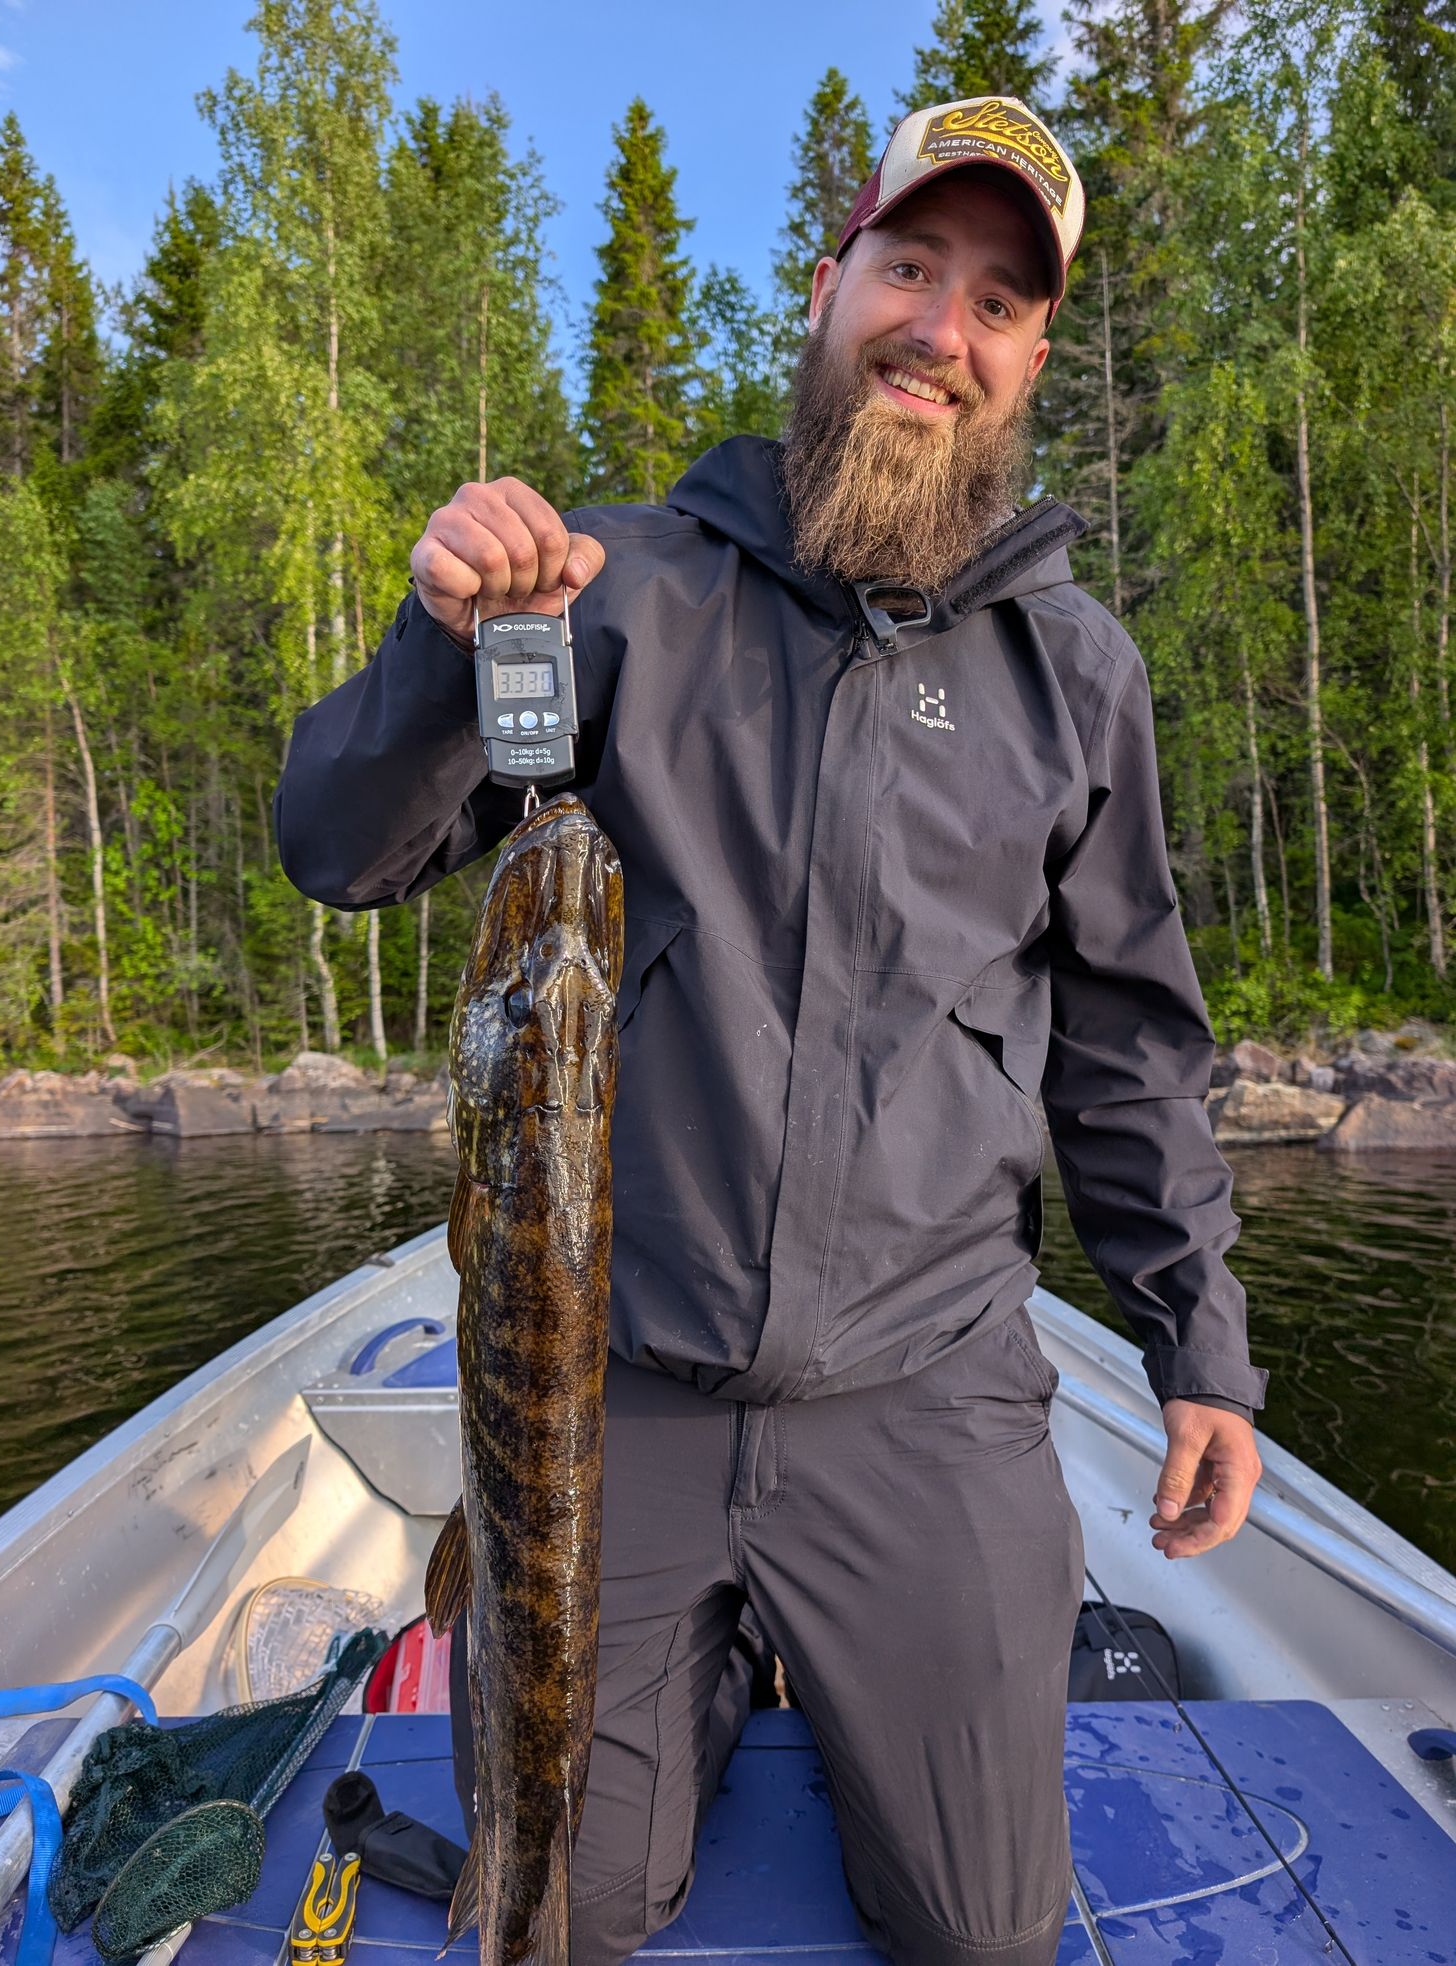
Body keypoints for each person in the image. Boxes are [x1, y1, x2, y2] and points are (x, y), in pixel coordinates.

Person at [275, 94, 1266, 1966]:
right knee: (564, 1912)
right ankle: (714, 1647)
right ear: (827, 288)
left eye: (995, 303)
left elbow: (1129, 1049)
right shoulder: (614, 585)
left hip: (928, 1392)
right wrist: (442, 644)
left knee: (983, 1932)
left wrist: (1196, 1347)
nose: (939, 330)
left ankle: (788, 1640)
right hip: (619, 1383)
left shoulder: (1079, 677)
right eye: (910, 268)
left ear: (1032, 358)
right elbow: (342, 846)